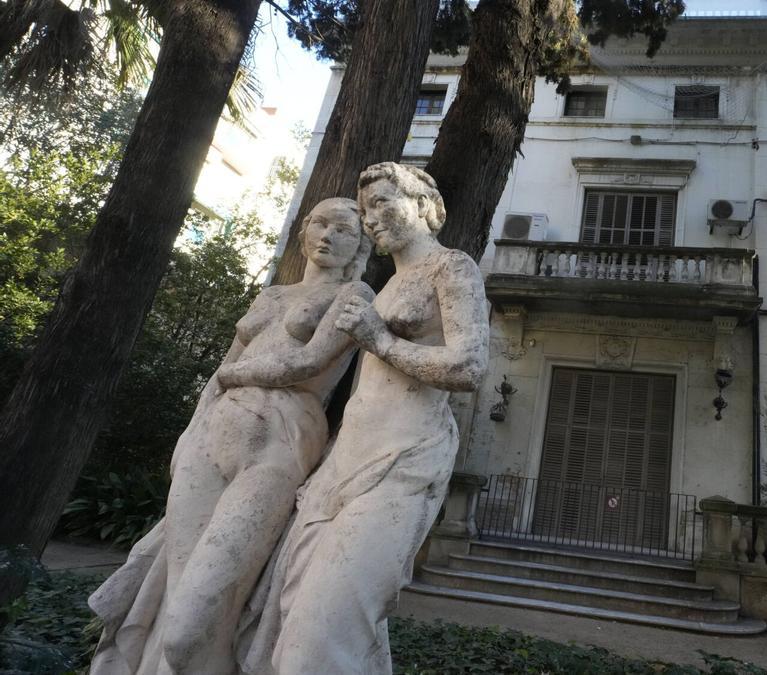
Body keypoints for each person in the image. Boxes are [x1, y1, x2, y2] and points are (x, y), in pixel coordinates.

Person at [89, 198, 374, 675]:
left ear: (360, 245)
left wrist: (234, 378)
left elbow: (308, 364)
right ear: (304, 231)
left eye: (343, 230)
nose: (327, 235)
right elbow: (221, 368)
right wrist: (191, 431)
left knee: (194, 617)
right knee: (175, 596)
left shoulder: (355, 296)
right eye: (320, 224)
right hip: (211, 436)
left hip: (279, 438)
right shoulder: (270, 297)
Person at [236, 163, 489, 674]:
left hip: (403, 460)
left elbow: (468, 366)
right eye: (366, 209)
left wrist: (381, 339)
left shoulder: (452, 268)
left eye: (383, 203)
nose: (371, 219)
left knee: (318, 637)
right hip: (345, 463)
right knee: (292, 621)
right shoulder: (387, 287)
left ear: (423, 205)